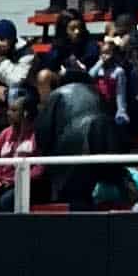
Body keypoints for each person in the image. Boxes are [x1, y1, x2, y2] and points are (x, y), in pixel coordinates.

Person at [33, 68, 117, 210]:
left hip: (71, 154)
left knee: (76, 198)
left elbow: (43, 133)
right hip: (105, 153)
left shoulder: (57, 94)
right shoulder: (98, 94)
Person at [91, 24, 138, 136]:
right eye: (103, 54)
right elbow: (90, 75)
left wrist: (121, 110)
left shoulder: (120, 69)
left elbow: (120, 93)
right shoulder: (99, 67)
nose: (106, 56)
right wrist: (100, 61)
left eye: (108, 54)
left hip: (118, 103)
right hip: (100, 104)